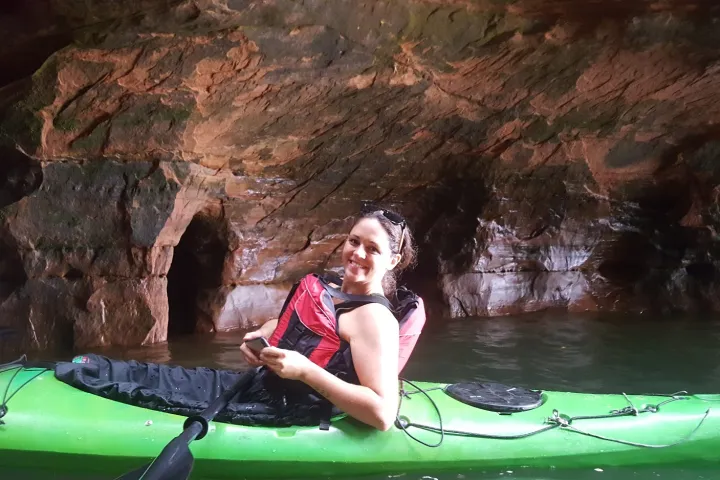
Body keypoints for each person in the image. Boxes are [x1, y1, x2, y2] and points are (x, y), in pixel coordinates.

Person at [239, 202, 422, 431]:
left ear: (392, 261)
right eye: (354, 241)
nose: (358, 253)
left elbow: (383, 415)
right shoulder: (333, 287)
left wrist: (306, 371)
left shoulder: (376, 320)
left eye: (373, 249)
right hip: (267, 389)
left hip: (299, 413)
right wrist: (265, 332)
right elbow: (297, 325)